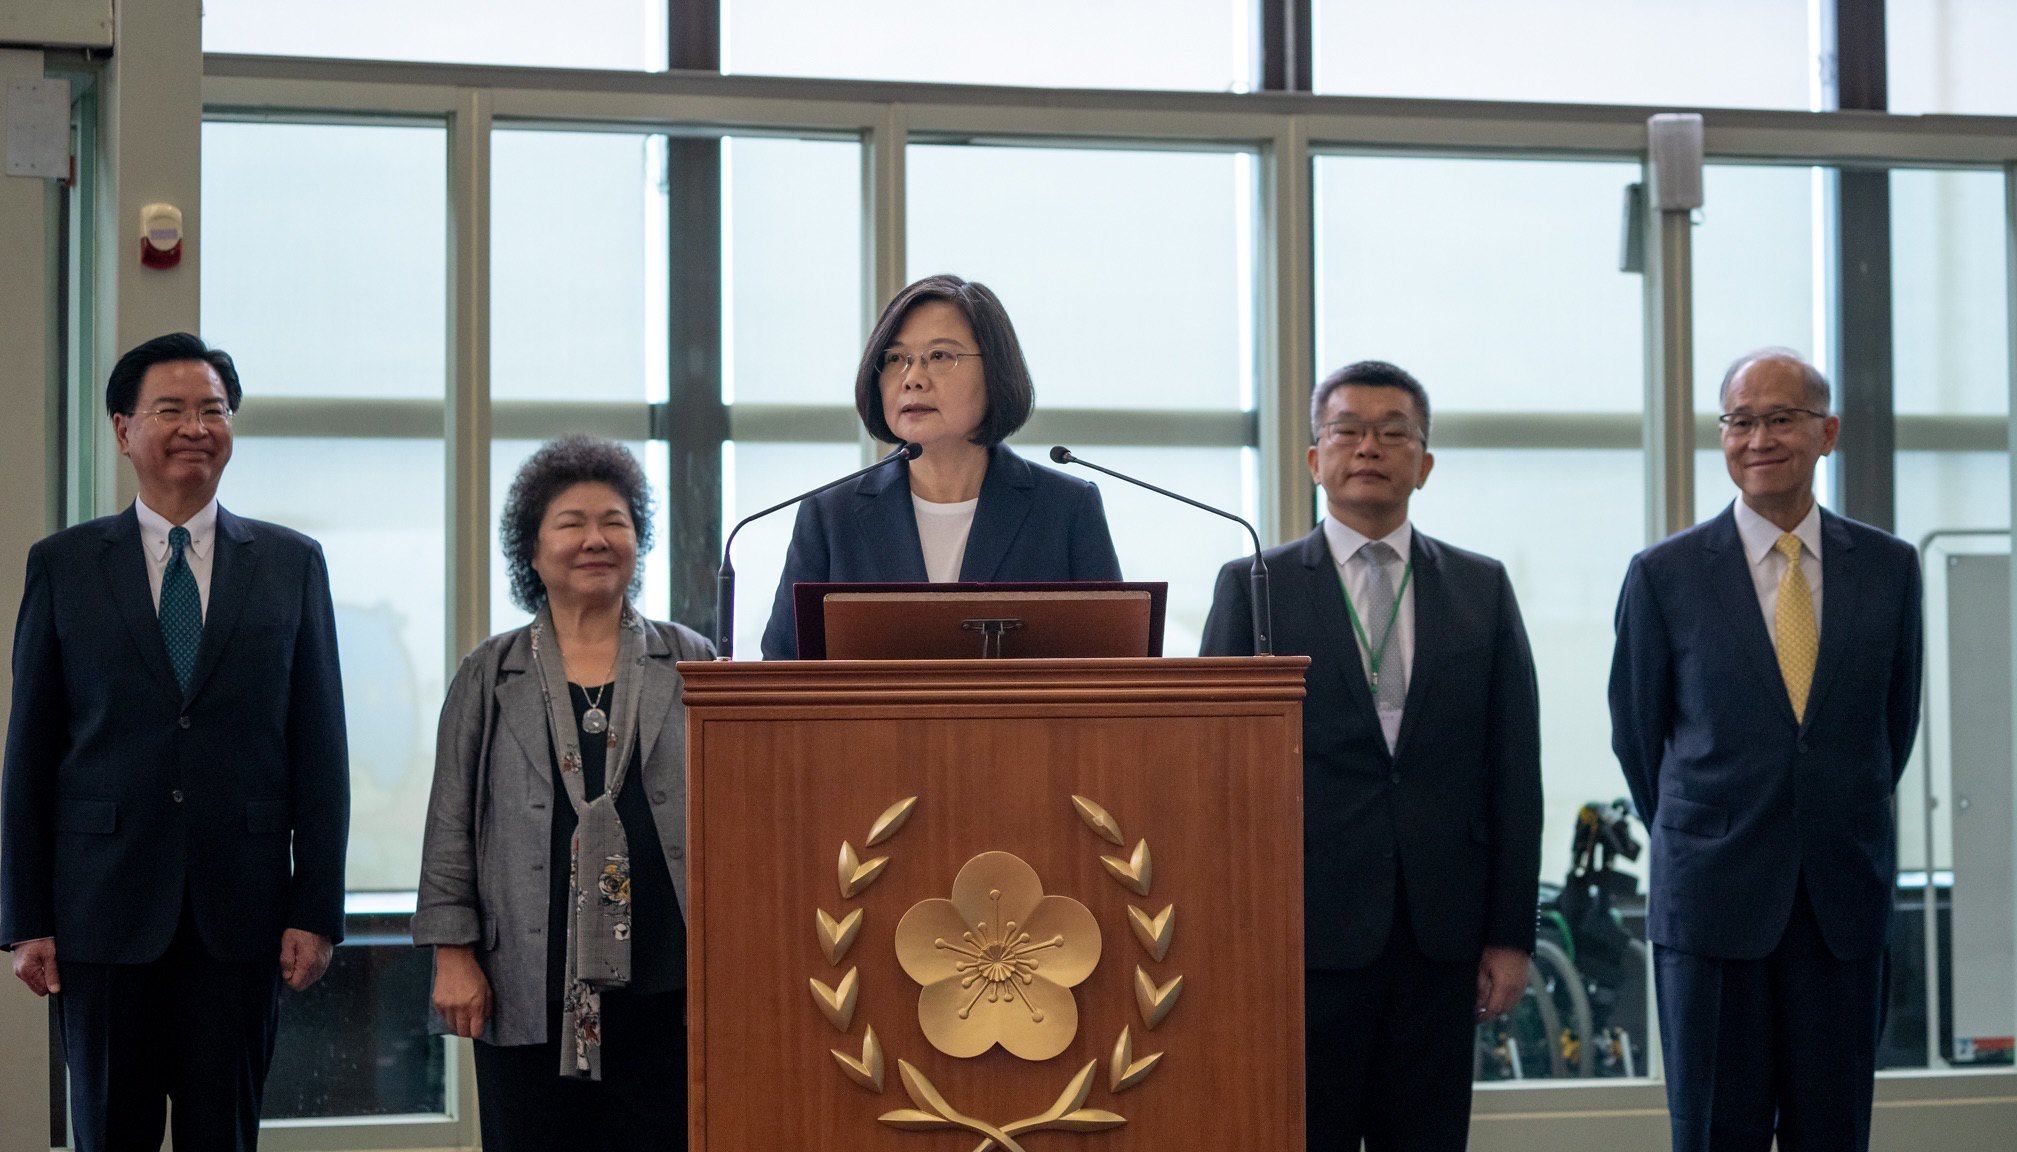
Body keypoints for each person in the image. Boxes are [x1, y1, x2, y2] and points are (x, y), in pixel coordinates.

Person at [0, 332, 349, 1151]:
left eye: (213, 410)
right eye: (172, 410)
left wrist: (316, 909)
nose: (197, 427)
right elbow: (30, 752)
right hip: (102, 912)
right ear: (125, 430)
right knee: (108, 1133)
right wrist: (26, 918)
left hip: (242, 912)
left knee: (221, 1135)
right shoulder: (65, 565)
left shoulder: (292, 565)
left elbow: (320, 749)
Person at [1201, 359, 1541, 1150]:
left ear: (1423, 465)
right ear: (1313, 459)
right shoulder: (1254, 586)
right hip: (1301, 934)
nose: (1368, 448)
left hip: (1441, 935)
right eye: (1346, 431)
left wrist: (1509, 934)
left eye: (1394, 434)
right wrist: (1231, 933)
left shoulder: (1480, 589)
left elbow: (1513, 771)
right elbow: (1217, 777)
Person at [1609, 349, 1922, 1152]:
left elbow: (1892, 728)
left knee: (1833, 1131)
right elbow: (1639, 739)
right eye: (1739, 421)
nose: (1759, 438)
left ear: (1827, 433)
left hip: (1838, 905)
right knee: (1716, 1132)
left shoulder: (1887, 569)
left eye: (1780, 418)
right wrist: (1711, 828)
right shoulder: (1662, 575)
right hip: (1712, 905)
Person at [414, 435, 712, 1151]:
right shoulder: (491, 671)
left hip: (669, 973)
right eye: (570, 522)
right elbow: (451, 817)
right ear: (533, 546)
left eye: (614, 521)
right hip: (526, 972)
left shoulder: (691, 659)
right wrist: (452, 951)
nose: (594, 539)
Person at [759, 273, 1123, 657]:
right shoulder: (831, 515)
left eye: (940, 356)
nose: (912, 378)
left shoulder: (1065, 510)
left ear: (995, 371)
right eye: (895, 358)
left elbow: (1116, 674)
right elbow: (779, 675)